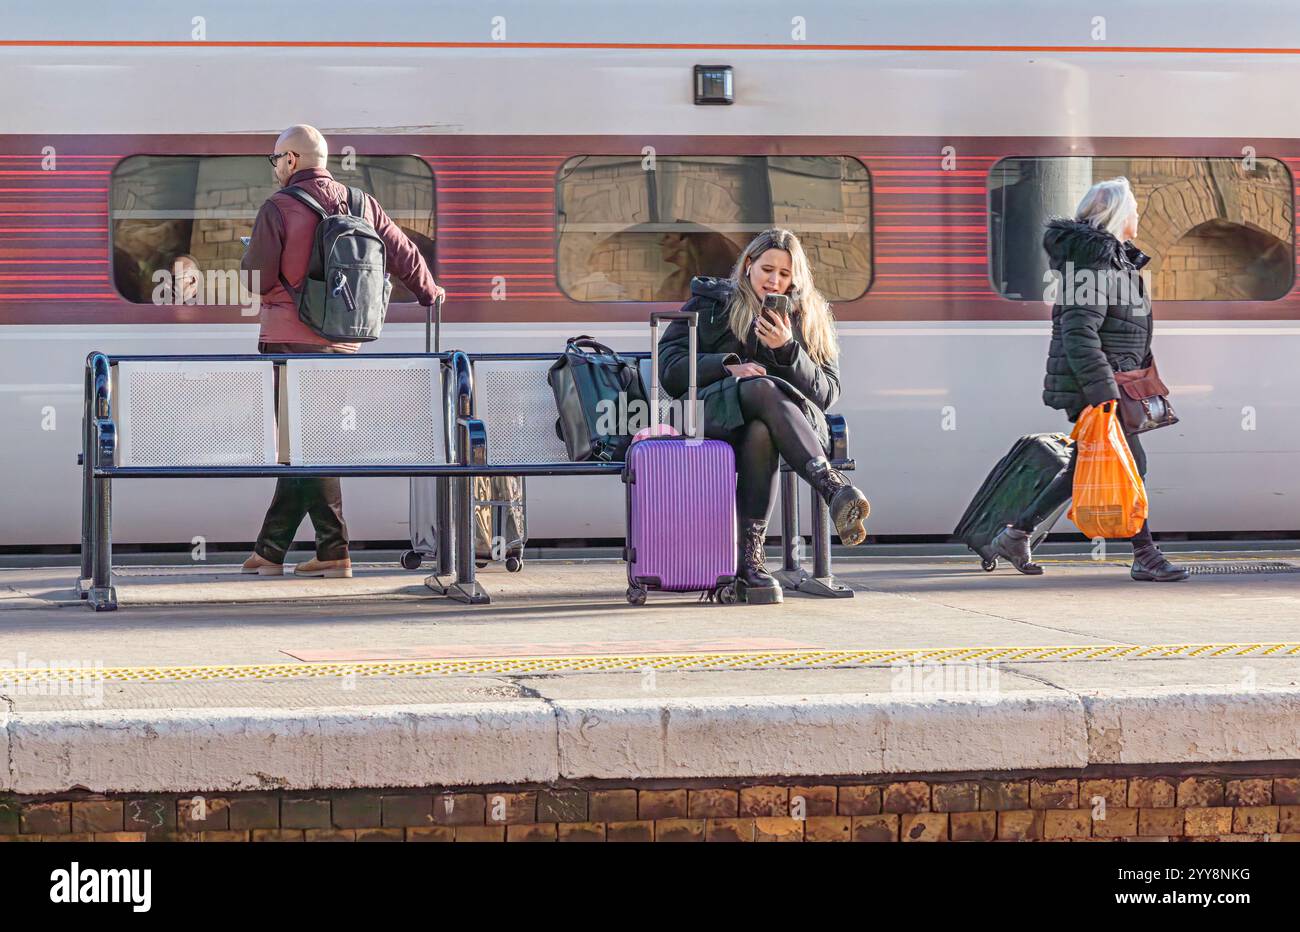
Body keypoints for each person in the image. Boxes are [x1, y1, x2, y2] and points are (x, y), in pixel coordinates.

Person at [239, 124, 444, 579]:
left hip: (290, 341)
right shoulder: (362, 204)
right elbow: (403, 252)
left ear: (292, 160)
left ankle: (333, 551)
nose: (274, 168)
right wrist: (430, 292)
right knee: (308, 446)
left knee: (306, 448)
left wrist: (250, 259)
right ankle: (271, 552)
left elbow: (255, 281)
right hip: (342, 340)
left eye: (275, 159)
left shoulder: (279, 207)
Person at [659, 227, 870, 605]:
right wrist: (727, 366)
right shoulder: (713, 304)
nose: (774, 281)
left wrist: (788, 351)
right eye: (767, 270)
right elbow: (670, 368)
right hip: (718, 420)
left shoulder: (810, 316)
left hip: (790, 429)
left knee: (761, 430)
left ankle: (751, 564)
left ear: (796, 278)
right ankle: (832, 488)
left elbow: (827, 394)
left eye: (785, 274)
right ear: (748, 267)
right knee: (760, 386)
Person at [991, 178, 1187, 582]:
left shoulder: (1115, 263)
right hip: (1097, 385)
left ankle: (1016, 533)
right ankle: (1144, 553)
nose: (1138, 216)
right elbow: (1079, 332)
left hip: (1115, 381)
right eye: (1133, 209)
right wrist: (1103, 394)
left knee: (1085, 467)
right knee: (1133, 464)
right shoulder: (1094, 266)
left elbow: (1123, 328)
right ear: (1118, 215)